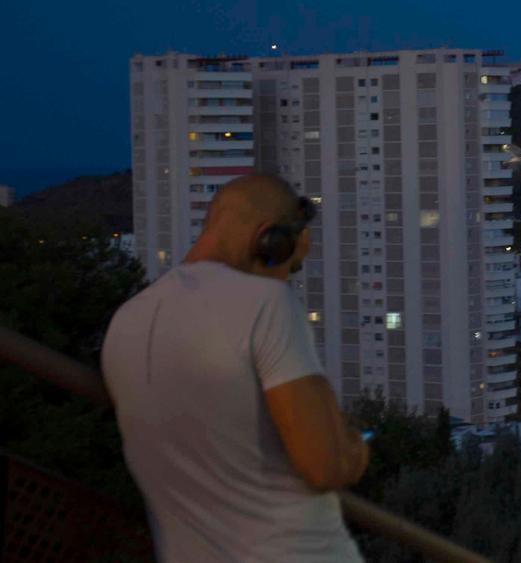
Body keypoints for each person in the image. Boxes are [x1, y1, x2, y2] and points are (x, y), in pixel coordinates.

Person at [102, 174, 369, 562]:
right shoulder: (266, 304)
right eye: (291, 265)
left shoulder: (126, 321)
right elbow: (325, 466)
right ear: (268, 242)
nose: (287, 278)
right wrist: (355, 450)